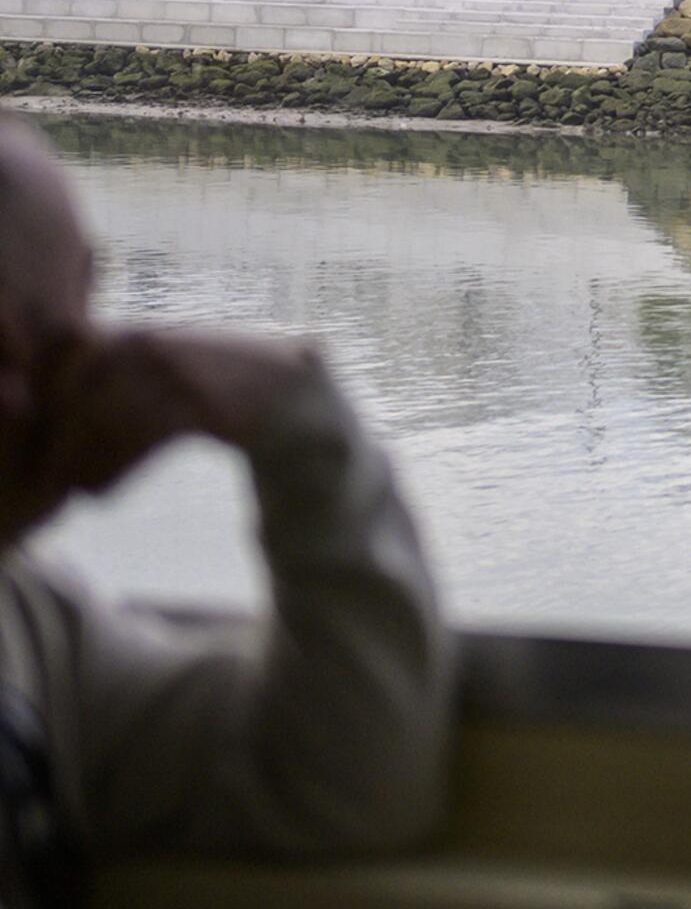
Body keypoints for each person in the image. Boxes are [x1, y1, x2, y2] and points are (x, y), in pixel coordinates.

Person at [0, 115, 453, 900]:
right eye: (23, 345)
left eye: (70, 337)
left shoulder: (33, 631)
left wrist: (297, 421)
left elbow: (342, 785)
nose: (68, 390)